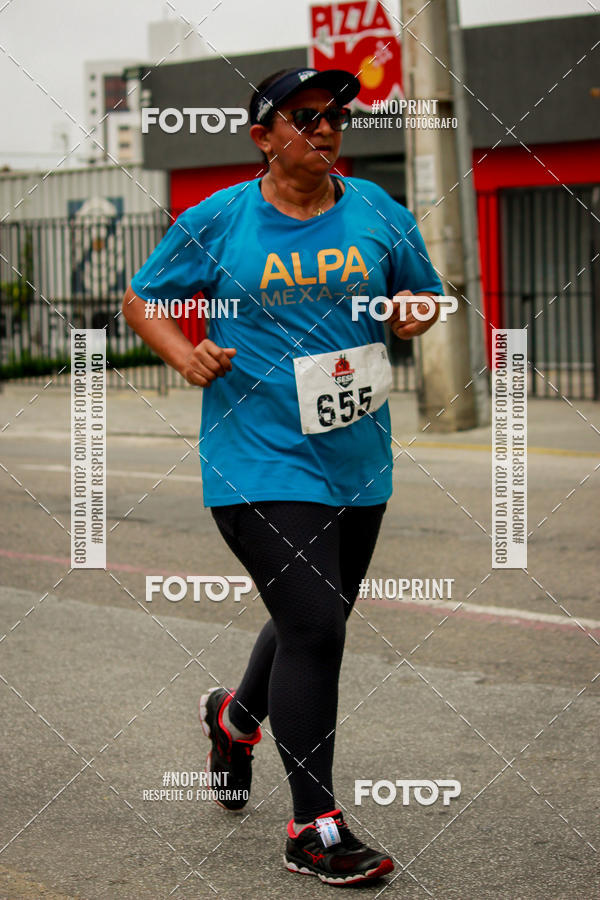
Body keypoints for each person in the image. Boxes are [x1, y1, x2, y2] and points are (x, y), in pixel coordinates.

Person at [122, 66, 443, 886]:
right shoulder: (222, 219)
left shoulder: (377, 209)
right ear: (264, 136)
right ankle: (314, 827)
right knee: (317, 628)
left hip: (356, 457)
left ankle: (234, 720)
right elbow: (145, 299)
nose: (327, 127)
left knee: (315, 614)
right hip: (255, 458)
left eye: (336, 114)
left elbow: (426, 295)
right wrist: (185, 352)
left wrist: (415, 311)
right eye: (305, 117)